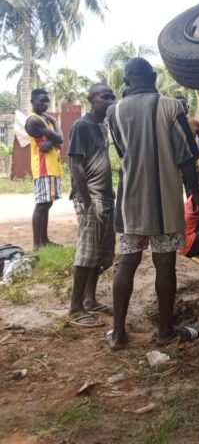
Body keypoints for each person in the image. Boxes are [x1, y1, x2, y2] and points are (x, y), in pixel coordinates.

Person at [106, 57, 199, 350]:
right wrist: (195, 194)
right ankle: (165, 331)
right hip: (165, 199)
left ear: (126, 82)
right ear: (154, 78)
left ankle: (118, 334)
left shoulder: (114, 111)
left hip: (131, 200)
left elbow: (123, 151)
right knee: (165, 264)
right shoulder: (172, 107)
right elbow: (186, 155)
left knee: (127, 263)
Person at [67, 84, 116, 328]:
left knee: (101, 254)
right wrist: (86, 202)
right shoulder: (82, 126)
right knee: (87, 254)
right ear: (91, 100)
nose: (108, 101)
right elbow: (76, 166)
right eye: (103, 97)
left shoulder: (102, 127)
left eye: (111, 97)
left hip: (105, 196)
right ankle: (75, 308)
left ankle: (90, 299)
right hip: (91, 199)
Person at [25, 88, 64, 250]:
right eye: (42, 100)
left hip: (52, 167)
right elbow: (60, 138)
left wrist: (53, 141)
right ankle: (37, 244)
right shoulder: (34, 120)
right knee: (41, 204)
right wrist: (55, 124)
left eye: (47, 100)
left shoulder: (43, 119)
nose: (45, 104)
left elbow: (58, 143)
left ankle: (45, 240)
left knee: (47, 204)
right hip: (43, 168)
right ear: (32, 101)